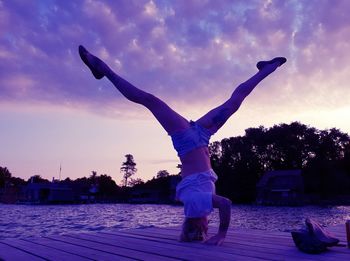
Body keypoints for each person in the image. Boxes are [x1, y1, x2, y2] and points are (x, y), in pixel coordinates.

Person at [78, 45, 286, 245]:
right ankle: (268, 67)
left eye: (206, 230)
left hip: (187, 141)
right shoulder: (196, 206)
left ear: (198, 227)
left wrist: (222, 234)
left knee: (148, 100)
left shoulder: (195, 207)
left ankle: (101, 68)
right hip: (202, 137)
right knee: (233, 102)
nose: (208, 226)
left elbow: (226, 204)